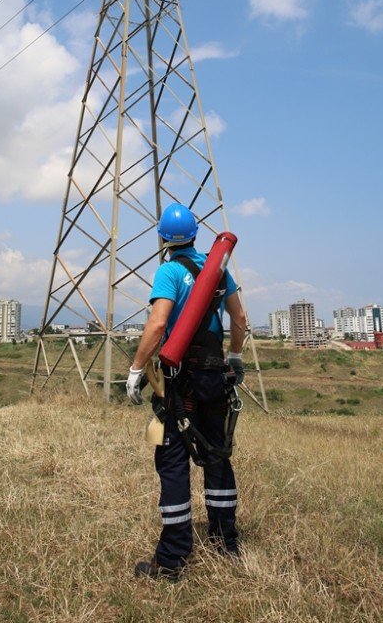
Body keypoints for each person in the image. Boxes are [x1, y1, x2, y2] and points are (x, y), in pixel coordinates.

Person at [126, 202, 246, 581]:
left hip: (178, 382)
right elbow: (239, 318)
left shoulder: (169, 270)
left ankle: (172, 559)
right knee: (216, 455)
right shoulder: (218, 269)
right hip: (214, 377)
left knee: (173, 462)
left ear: (163, 238)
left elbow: (158, 323)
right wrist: (236, 358)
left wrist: (134, 370)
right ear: (195, 234)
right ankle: (226, 543)